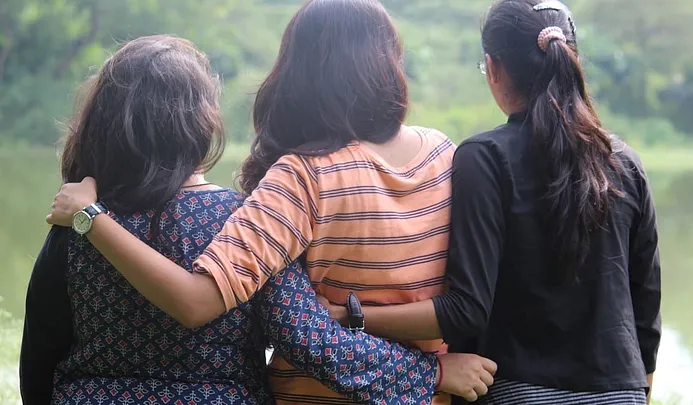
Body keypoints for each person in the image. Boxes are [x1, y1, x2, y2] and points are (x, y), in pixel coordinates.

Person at [24, 34, 491, 405]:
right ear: (200, 122)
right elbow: (311, 341)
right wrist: (431, 373)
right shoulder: (243, 219)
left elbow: (39, 356)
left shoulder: (76, 222)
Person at [318, 1, 662, 404]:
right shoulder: (625, 162)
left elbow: (466, 310)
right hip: (621, 392)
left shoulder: (485, 157)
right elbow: (646, 313)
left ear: (494, 68)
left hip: (516, 391)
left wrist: (350, 316)